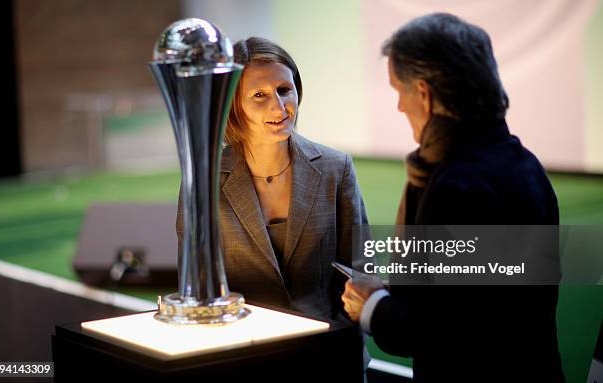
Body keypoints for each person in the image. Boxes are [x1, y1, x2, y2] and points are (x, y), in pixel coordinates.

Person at [341, 13, 565, 382]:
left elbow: (446, 331)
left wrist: (372, 305)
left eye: (399, 91)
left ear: (424, 95)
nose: (398, 107)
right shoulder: (525, 165)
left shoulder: (460, 187)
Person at [177, 37, 368, 321]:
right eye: (259, 95)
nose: (279, 108)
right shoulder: (204, 179)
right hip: (243, 351)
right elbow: (193, 282)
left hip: (325, 350)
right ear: (233, 105)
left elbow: (360, 272)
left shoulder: (336, 168)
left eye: (284, 90)